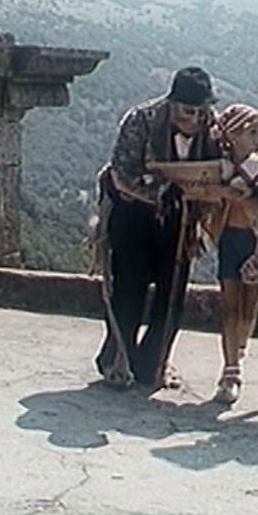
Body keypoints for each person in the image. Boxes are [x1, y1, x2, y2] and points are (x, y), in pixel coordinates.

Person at [94, 66, 220, 389]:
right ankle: (117, 359)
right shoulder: (140, 120)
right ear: (172, 103)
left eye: (201, 111)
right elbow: (122, 173)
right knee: (128, 288)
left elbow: (219, 168)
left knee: (173, 292)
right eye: (188, 111)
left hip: (180, 219)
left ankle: (154, 363)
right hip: (133, 214)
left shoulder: (211, 126)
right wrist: (160, 192)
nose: (194, 119)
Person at [203, 104, 258, 404]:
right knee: (230, 306)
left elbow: (248, 192)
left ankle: (240, 346)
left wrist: (233, 192)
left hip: (255, 241)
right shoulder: (220, 165)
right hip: (230, 239)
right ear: (233, 136)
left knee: (249, 306)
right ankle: (231, 371)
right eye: (252, 132)